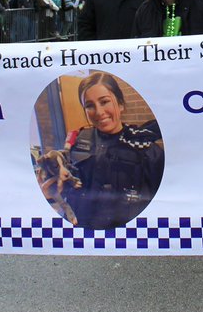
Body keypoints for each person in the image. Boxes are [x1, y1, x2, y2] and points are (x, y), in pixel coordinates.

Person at [62, 72, 164, 229]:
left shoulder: (147, 150)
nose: (99, 112)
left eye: (104, 102)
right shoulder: (79, 143)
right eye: (89, 105)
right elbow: (70, 193)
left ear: (121, 104)